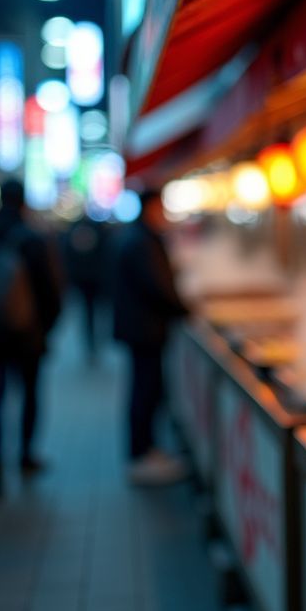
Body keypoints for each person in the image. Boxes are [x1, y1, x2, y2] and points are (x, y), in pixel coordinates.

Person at [0, 179, 62, 497]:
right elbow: (51, 290)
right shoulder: (33, 239)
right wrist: (44, 327)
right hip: (27, 334)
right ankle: (25, 455)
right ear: (22, 202)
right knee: (30, 394)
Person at [113, 189, 189, 484]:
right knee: (146, 391)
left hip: (141, 328)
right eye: (161, 207)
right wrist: (183, 309)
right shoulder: (142, 241)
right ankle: (141, 454)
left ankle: (146, 450)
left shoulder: (137, 237)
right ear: (150, 207)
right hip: (144, 329)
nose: (165, 213)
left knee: (146, 390)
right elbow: (157, 286)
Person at [63, 216, 110, 359]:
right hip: (90, 279)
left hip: (86, 279)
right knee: (91, 312)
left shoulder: (74, 230)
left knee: (90, 312)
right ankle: (92, 341)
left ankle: (92, 341)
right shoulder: (97, 230)